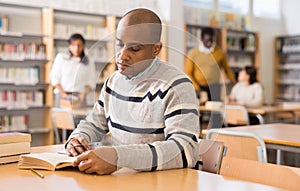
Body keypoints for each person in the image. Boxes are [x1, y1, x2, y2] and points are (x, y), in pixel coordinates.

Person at [65, 8, 199, 175]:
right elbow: (93, 124)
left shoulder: (176, 85)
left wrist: (119, 157)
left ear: (156, 49)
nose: (122, 56)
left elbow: (185, 151)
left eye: (134, 49)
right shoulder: (113, 82)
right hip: (123, 179)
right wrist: (77, 138)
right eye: (119, 44)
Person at [184, 27, 235, 101]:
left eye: (211, 40)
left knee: (215, 109)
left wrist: (232, 79)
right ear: (202, 39)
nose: (209, 43)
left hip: (214, 87)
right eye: (207, 40)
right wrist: (196, 87)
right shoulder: (193, 53)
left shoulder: (220, 53)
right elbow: (188, 72)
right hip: (198, 87)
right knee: (200, 110)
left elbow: (227, 68)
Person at [49, 33, 96, 108]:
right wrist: (63, 94)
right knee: (62, 119)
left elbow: (91, 81)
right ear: (69, 46)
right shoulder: (61, 58)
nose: (76, 48)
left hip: (80, 98)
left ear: (83, 46)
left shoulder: (89, 61)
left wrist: (83, 94)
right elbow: (54, 78)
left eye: (79, 45)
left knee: (79, 119)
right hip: (62, 96)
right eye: (73, 45)